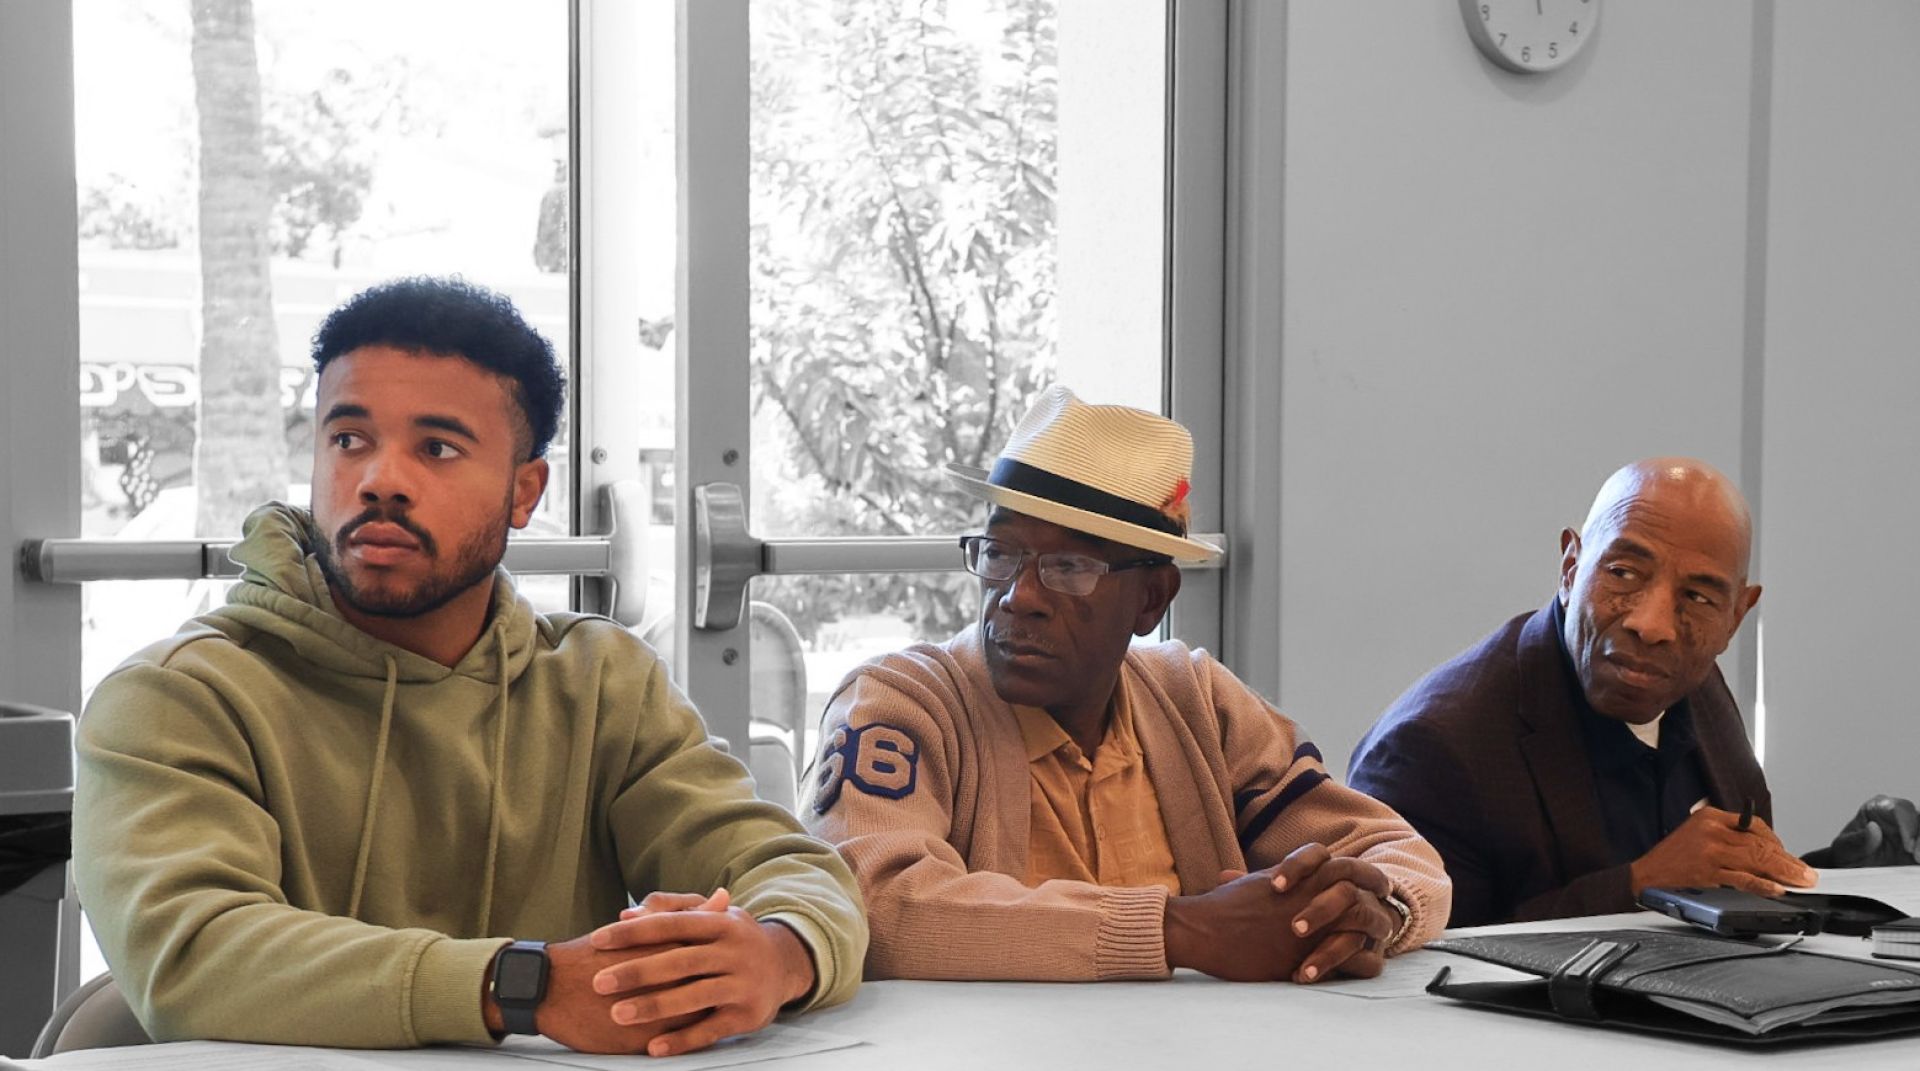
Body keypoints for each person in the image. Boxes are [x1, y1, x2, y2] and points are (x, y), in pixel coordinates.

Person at [74, 277, 866, 1056]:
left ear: (525, 491)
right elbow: (192, 952)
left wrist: (775, 953)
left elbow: (787, 867)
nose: (380, 480)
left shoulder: (601, 683)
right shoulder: (176, 697)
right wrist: (522, 985)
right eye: (348, 439)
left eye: (437, 447)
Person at [801, 386, 1450, 984]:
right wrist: (1185, 930)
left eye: (1069, 567)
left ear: (1151, 598)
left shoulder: (1196, 700)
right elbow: (872, 904)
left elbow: (1393, 851)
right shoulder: (901, 701)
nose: (1019, 596)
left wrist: (1371, 912)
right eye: (999, 554)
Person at [1350, 458, 1911, 928]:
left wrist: (1829, 875)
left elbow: (1704, 879)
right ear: (1570, 567)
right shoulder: (1432, 747)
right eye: (1622, 573)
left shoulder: (1686, 677)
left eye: (1698, 598)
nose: (1653, 624)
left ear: (1736, 617)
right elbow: (1421, 969)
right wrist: (1639, 886)